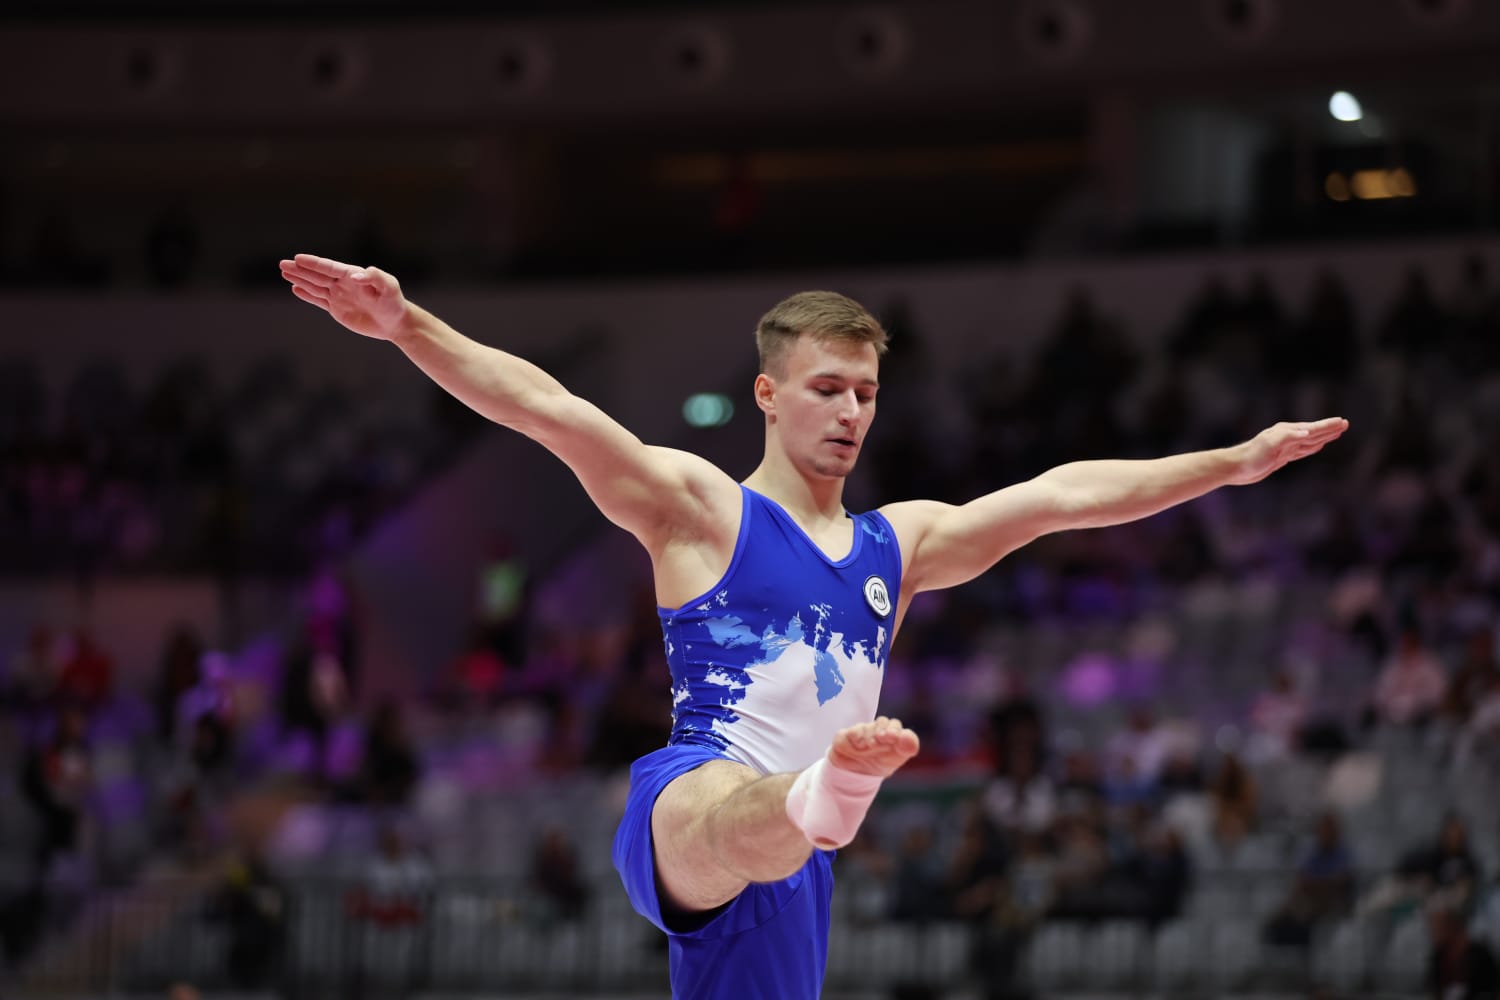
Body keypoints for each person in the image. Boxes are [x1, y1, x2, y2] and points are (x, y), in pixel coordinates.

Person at [279, 253, 1349, 998]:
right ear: (766, 394)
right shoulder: (704, 510)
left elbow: (1064, 496)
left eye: (866, 393)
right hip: (699, 796)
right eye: (827, 388)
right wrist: (408, 326)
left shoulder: (900, 544)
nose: (849, 412)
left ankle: (817, 799)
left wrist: (1232, 462)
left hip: (797, 865)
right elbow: (549, 411)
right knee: (719, 816)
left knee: (776, 882)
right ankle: (820, 791)